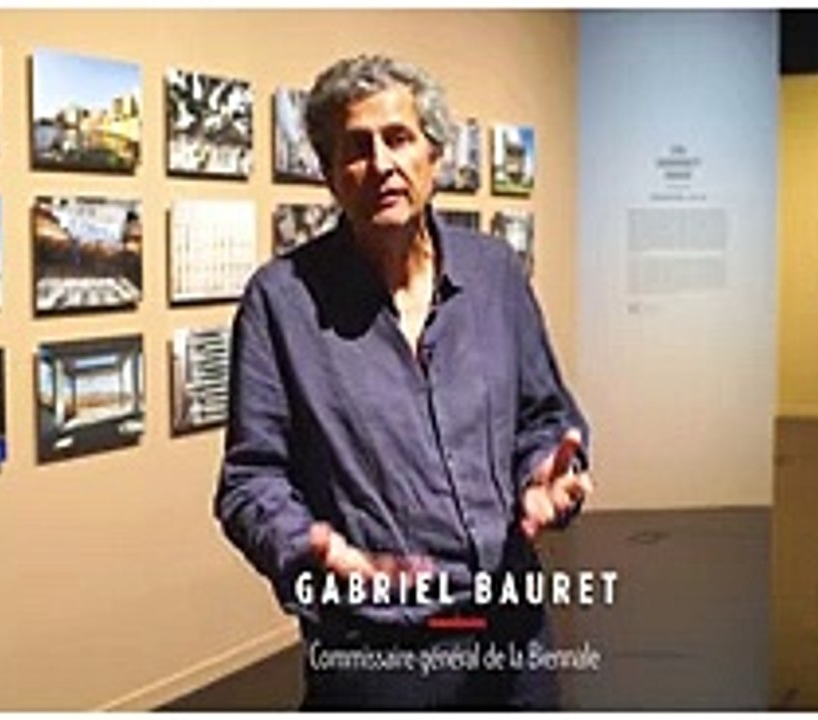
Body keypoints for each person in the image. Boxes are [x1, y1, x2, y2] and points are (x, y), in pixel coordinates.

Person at [215, 54, 592, 710]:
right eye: (356, 148)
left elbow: (543, 416)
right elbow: (250, 480)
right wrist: (310, 549)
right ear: (331, 174)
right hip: (377, 649)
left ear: (434, 156)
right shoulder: (281, 303)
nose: (382, 164)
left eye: (399, 138)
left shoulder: (495, 273)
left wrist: (546, 474)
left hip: (513, 628)